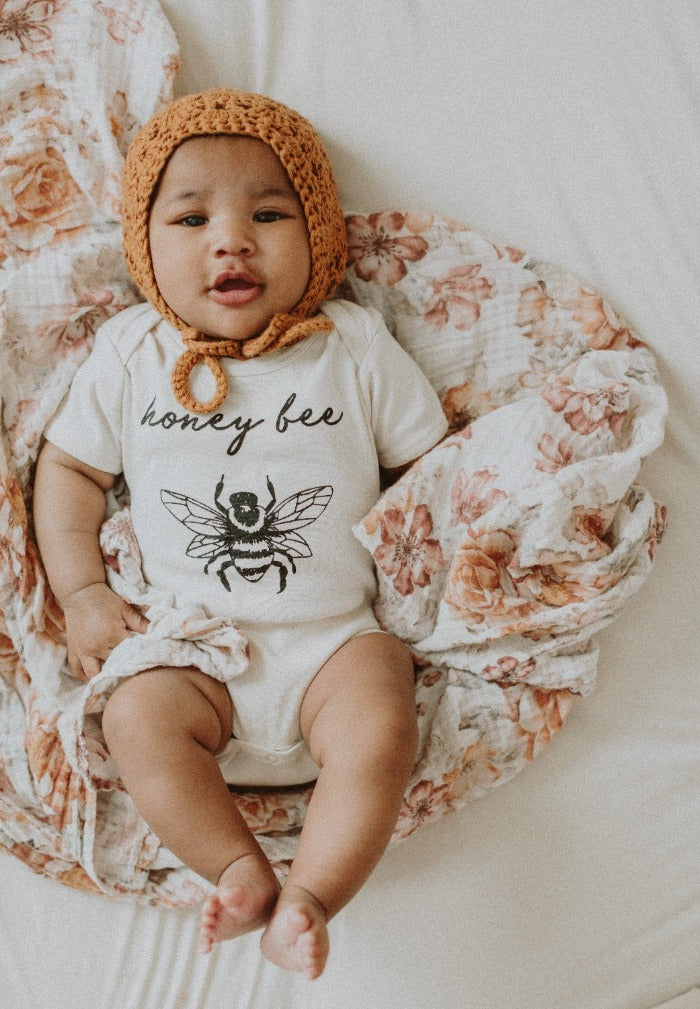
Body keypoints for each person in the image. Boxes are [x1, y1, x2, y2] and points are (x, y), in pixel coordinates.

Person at [33, 89, 448, 981]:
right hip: (196, 656)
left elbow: (432, 469)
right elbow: (68, 473)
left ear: (321, 239)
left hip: (333, 642)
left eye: (269, 212)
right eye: (191, 218)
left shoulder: (351, 345)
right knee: (135, 715)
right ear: (146, 248)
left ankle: (314, 894)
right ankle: (238, 868)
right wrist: (83, 593)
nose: (231, 239)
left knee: (386, 704)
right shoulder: (134, 353)